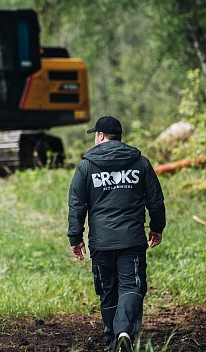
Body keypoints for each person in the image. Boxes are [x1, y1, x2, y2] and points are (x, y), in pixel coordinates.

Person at [67, 115, 166, 352]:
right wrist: (157, 227)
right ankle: (123, 335)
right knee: (132, 286)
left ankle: (113, 342)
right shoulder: (140, 163)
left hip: (101, 243)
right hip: (131, 240)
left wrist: (75, 237)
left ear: (100, 136)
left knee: (108, 292)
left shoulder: (86, 167)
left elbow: (77, 205)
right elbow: (156, 200)